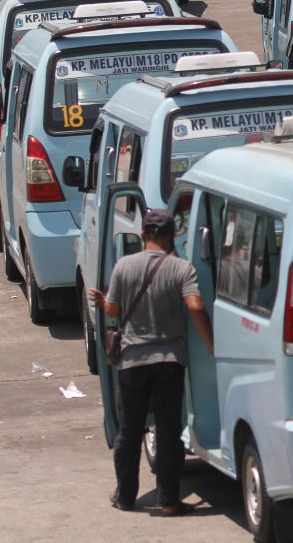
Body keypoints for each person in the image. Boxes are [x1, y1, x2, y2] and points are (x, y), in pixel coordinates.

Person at [88, 209, 214, 516]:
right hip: (169, 362)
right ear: (172, 236)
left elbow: (114, 310)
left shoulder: (124, 266)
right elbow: (195, 305)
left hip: (132, 361)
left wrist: (103, 301)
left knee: (129, 430)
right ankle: (168, 500)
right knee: (169, 429)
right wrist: (212, 345)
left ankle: (126, 497)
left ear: (143, 235)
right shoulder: (182, 268)